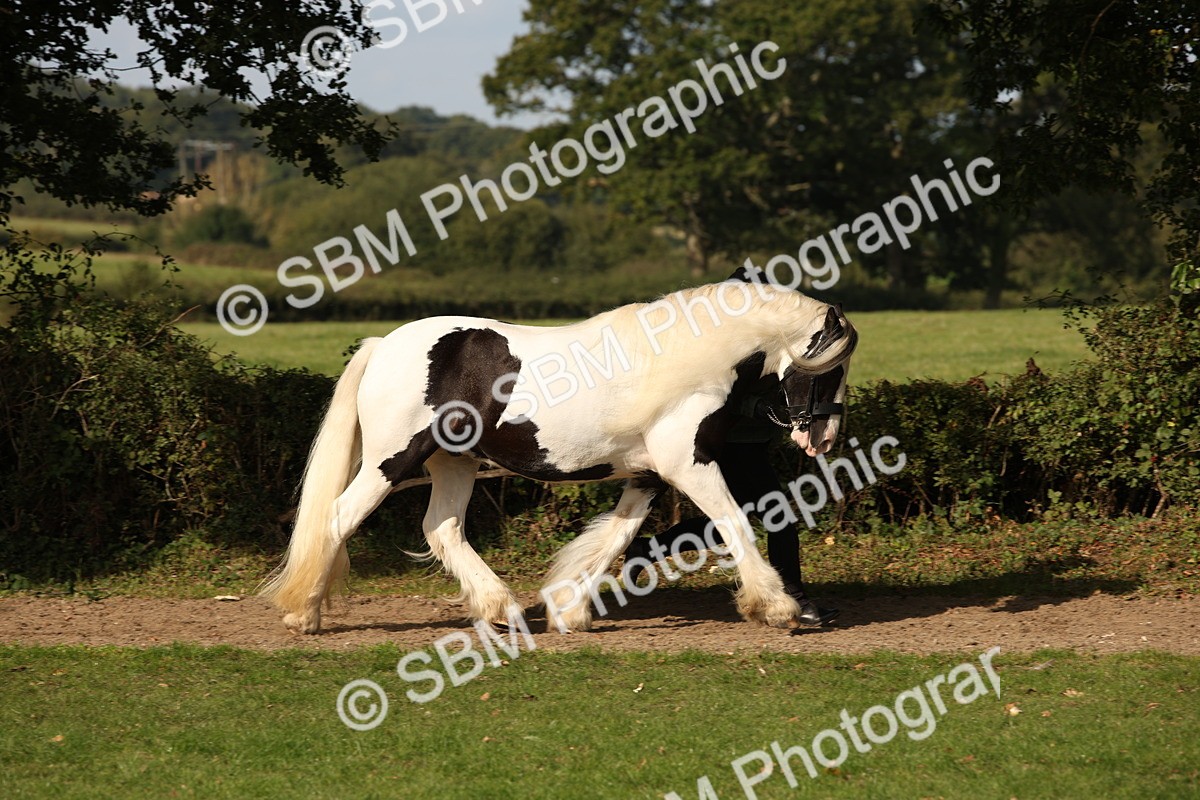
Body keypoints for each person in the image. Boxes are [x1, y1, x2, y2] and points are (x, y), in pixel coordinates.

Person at [622, 372, 839, 627]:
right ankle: (797, 601)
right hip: (734, 447)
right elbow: (720, 389)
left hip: (753, 446)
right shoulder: (752, 347)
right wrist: (760, 408)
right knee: (779, 522)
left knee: (726, 527)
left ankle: (645, 550)